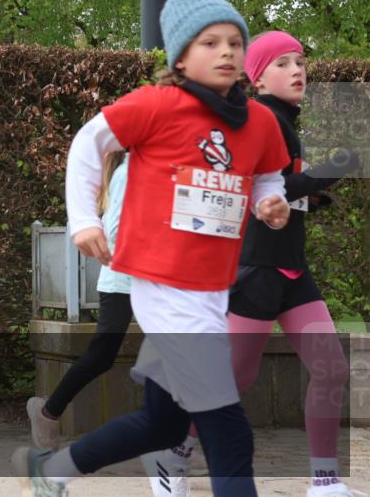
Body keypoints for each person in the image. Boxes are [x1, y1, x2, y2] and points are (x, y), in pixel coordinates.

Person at [15, 0, 292, 497]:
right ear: (181, 57)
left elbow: (269, 176)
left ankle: (51, 470)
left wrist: (269, 203)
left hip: (211, 288)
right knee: (228, 429)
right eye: (211, 42)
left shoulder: (260, 122)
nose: (227, 51)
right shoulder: (158, 104)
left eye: (235, 41)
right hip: (161, 284)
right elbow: (87, 144)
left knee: (162, 425)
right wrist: (84, 219)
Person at [144, 31, 364, 497]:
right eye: (283, 63)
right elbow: (260, 187)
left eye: (300, 61)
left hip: (290, 270)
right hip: (255, 270)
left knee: (329, 368)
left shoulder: (283, 120)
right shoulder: (260, 117)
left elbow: (278, 190)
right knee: (232, 381)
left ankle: (325, 481)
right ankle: (174, 453)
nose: (298, 70)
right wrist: (334, 168)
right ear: (256, 76)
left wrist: (314, 194)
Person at [27, 151, 130, 449]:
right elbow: (114, 233)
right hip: (123, 282)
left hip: (157, 283)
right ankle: (47, 413)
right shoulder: (126, 174)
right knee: (102, 355)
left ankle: (179, 443)